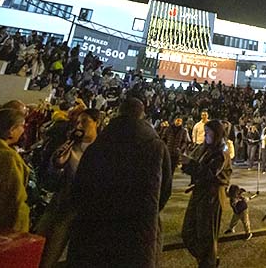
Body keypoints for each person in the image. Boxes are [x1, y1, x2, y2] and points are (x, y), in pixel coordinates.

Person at [67, 98, 172, 268]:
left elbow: (80, 185)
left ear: (119, 113)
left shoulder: (100, 143)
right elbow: (165, 189)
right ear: (142, 115)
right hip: (137, 226)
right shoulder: (156, 146)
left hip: (97, 224)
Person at [35, 108, 100, 268]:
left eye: (85, 121)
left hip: (81, 207)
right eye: (78, 122)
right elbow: (52, 176)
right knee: (38, 242)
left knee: (54, 249)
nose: (80, 126)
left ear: (97, 123)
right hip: (60, 201)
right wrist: (57, 164)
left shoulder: (101, 149)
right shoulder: (70, 145)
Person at [181, 119, 232, 268]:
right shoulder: (207, 148)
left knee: (207, 234)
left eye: (208, 133)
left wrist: (190, 164)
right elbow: (200, 168)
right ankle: (208, 259)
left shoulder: (222, 151)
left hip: (212, 195)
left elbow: (210, 172)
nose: (205, 135)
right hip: (201, 192)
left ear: (216, 134)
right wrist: (187, 164)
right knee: (189, 232)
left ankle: (208, 262)